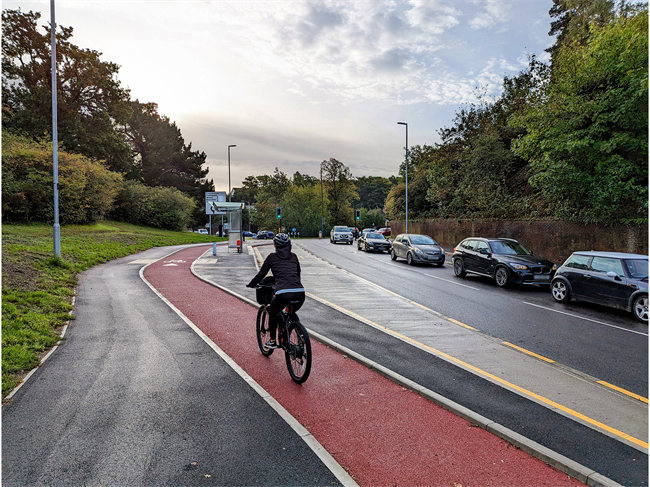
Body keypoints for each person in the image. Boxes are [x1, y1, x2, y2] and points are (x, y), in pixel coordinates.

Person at [246, 233, 305, 348]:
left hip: (283, 293)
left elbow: (261, 274)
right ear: (289, 245)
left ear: (275, 246)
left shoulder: (272, 257)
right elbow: (298, 274)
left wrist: (251, 284)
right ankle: (301, 335)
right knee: (291, 312)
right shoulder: (294, 257)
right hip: (300, 292)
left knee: (273, 311)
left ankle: (272, 340)